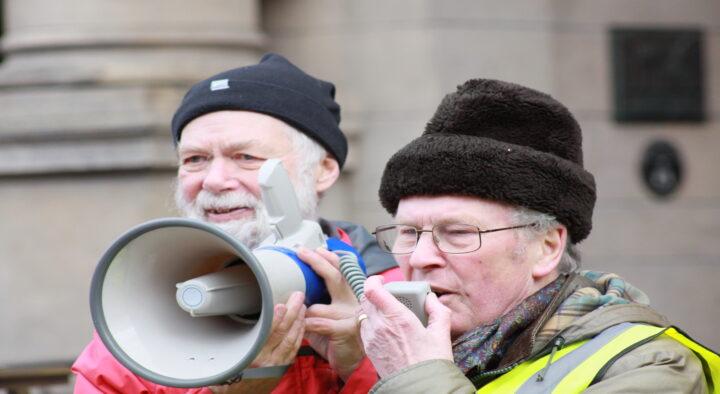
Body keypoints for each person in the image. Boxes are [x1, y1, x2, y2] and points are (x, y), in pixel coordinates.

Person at [356, 78, 720, 393]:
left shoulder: (657, 368)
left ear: (547, 247)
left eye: (457, 233)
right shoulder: (415, 353)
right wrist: (351, 369)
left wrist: (415, 376)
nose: (420, 258)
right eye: (408, 232)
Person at [72, 53, 400, 393]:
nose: (214, 180)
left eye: (246, 158)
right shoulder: (140, 313)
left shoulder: (401, 293)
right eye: (195, 159)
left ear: (322, 170)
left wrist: (361, 366)